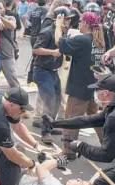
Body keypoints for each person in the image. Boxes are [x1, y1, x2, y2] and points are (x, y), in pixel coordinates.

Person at [43, 74, 115, 185]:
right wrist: (55, 123)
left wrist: (80, 146)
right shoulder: (113, 108)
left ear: (107, 93)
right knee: (109, 180)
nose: (95, 94)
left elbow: (106, 155)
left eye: (98, 90)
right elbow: (88, 120)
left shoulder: (114, 117)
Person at [55, 12, 104, 159]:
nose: (79, 23)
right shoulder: (98, 40)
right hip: (93, 86)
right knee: (97, 118)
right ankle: (109, 144)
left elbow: (59, 42)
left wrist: (58, 25)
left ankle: (68, 150)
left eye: (81, 21)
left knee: (71, 119)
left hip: (79, 87)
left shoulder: (82, 40)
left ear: (87, 24)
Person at [33, 6, 73, 144]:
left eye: (69, 19)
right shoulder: (47, 32)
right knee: (50, 101)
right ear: (59, 19)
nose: (68, 22)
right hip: (43, 71)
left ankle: (50, 126)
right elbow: (36, 49)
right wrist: (52, 52)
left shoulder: (61, 33)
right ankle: (45, 132)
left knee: (56, 100)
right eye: (66, 19)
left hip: (53, 72)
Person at [0, 0, 20, 88]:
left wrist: (0, 18)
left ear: (4, 9)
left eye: (0, 8)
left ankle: (18, 100)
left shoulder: (10, 18)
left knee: (14, 83)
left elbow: (13, 26)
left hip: (7, 56)